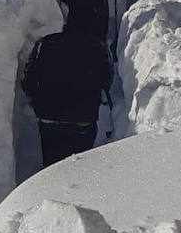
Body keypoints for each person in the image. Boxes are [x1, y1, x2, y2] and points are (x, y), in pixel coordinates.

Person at [22, 23, 114, 167]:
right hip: (82, 119)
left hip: (49, 116)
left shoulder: (45, 43)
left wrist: (36, 101)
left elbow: (28, 80)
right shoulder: (95, 45)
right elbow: (106, 79)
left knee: (51, 167)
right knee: (80, 166)